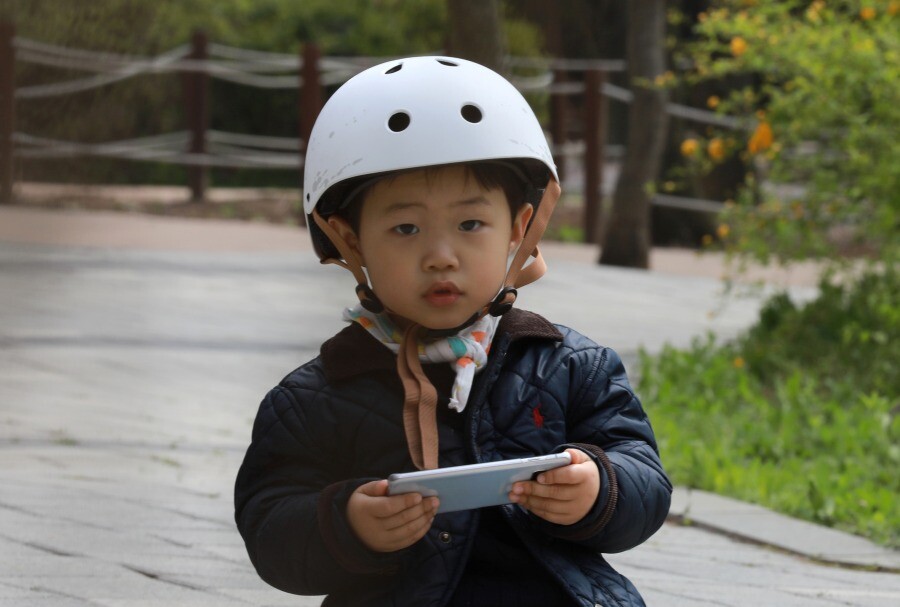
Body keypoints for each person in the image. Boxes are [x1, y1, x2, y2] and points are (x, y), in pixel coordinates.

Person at [234, 56, 671, 607]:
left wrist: (599, 488)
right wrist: (348, 523)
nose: (441, 257)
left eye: (470, 224)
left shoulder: (572, 366)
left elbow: (646, 481)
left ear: (518, 228)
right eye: (406, 228)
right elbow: (270, 527)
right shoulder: (313, 398)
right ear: (350, 240)